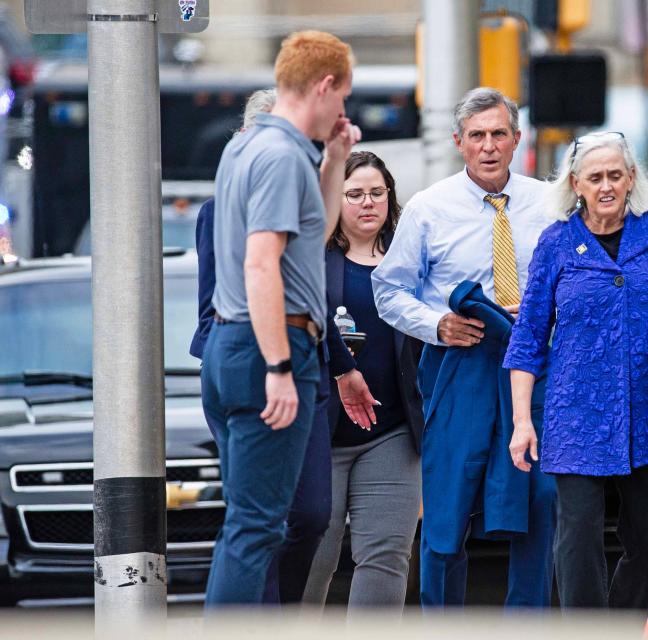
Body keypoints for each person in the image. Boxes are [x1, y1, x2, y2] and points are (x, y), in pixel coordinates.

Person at [504, 131, 648, 610]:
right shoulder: (557, 241)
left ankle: (618, 625)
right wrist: (522, 421)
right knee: (576, 542)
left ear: (631, 178)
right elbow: (529, 338)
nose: (605, 186)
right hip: (578, 416)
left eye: (615, 176)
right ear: (575, 183)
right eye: (594, 177)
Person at [371, 87, 556, 607]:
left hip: (533, 364)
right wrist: (437, 324)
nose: (489, 145)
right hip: (460, 366)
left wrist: (551, 314)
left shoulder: (550, 205)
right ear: (459, 142)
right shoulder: (430, 208)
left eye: (499, 134)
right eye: (477, 136)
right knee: (448, 509)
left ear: (517, 139)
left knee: (538, 500)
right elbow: (388, 289)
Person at [192, 88, 376, 604]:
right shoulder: (230, 201)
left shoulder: (294, 191)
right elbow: (241, 287)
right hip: (256, 357)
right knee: (257, 524)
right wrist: (271, 365)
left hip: (301, 360)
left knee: (308, 516)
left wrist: (341, 367)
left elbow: (307, 276)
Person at [303, 151, 424, 612]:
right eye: (354, 194)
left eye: (377, 193)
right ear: (336, 199)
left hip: (392, 432)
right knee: (316, 555)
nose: (367, 203)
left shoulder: (410, 260)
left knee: (387, 556)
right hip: (322, 435)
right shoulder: (313, 259)